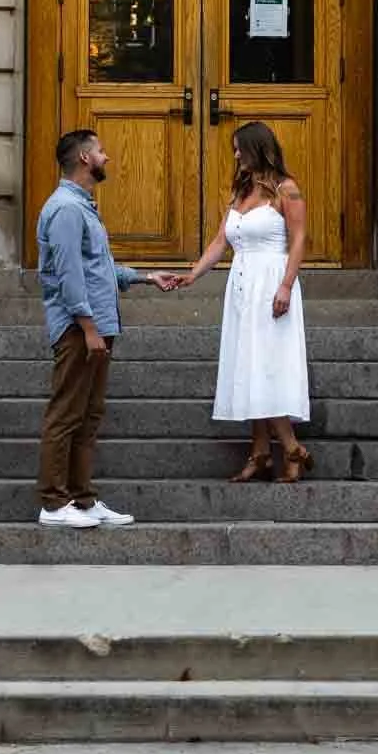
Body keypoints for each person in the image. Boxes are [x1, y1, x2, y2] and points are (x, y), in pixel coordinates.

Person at [35, 129, 177, 528]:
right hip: (80, 328)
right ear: (84, 158)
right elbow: (67, 275)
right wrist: (88, 328)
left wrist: (145, 277)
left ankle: (82, 499)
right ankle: (53, 503)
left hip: (95, 325)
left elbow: (96, 269)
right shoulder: (65, 209)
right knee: (66, 414)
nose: (106, 156)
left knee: (89, 415)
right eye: (100, 150)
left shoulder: (82, 208)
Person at [175, 122, 313, 483]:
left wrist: (285, 285)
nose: (236, 155)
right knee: (250, 364)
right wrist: (193, 274)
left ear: (258, 149)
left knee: (265, 365)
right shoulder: (241, 192)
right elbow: (221, 242)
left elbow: (299, 241)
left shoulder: (288, 189)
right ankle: (264, 453)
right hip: (241, 287)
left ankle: (290, 448)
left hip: (272, 284)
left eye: (240, 149)